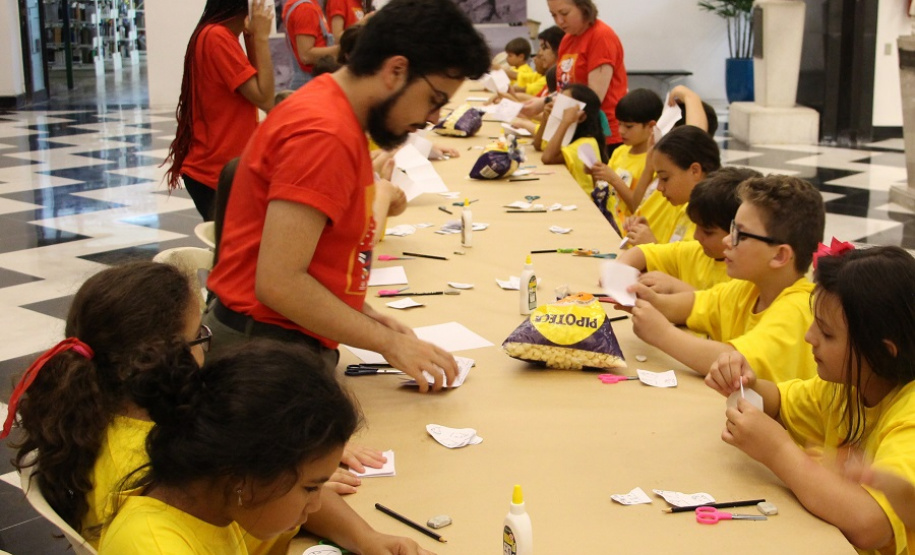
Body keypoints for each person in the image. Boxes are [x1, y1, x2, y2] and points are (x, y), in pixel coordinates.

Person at [2, 262, 423, 553]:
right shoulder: (160, 475)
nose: (208, 343)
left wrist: (305, 462)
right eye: (200, 334)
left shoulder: (117, 420)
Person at [204, 0, 491, 392]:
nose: (433, 118)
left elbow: (313, 258)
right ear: (396, 70)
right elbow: (279, 283)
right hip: (262, 357)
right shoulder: (323, 134)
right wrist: (385, 342)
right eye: (435, 99)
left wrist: (366, 315)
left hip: (279, 344)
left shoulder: (337, 112)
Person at [100, 341, 434, 555]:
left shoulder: (224, 495)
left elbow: (311, 507)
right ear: (246, 476)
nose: (317, 503)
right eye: (310, 488)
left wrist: (367, 539)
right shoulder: (154, 547)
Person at [705, 245, 915, 554]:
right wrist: (744, 380)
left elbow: (870, 524)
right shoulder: (849, 387)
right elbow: (780, 402)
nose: (809, 336)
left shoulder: (909, 418)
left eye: (827, 334)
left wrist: (777, 450)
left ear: (882, 351)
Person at [628, 175, 824, 383]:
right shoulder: (748, 288)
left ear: (779, 255)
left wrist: (662, 333)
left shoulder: (798, 310)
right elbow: (695, 304)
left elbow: (733, 363)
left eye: (741, 235)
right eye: (732, 229)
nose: (726, 241)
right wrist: (648, 300)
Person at [163, 0, 275, 221]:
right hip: (214, 172)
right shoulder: (217, 37)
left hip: (218, 170)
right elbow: (266, 98)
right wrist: (261, 38)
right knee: (229, 251)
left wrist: (250, 37)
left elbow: (260, 87)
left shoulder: (215, 34)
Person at [618, 167, 760, 294]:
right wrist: (618, 271)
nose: (696, 236)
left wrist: (675, 287)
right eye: (696, 226)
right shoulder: (697, 252)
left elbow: (716, 312)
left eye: (708, 232)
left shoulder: (746, 277)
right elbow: (642, 252)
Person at [548, 0, 626, 154]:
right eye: (553, 15)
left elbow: (594, 98)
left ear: (583, 8)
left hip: (602, 133)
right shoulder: (567, 39)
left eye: (564, 13)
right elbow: (565, 87)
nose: (559, 21)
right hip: (575, 128)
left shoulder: (601, 36)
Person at [622, 125, 720, 246]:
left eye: (665, 178)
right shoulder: (684, 204)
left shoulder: (712, 213)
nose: (659, 187)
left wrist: (652, 246)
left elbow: (688, 262)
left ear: (695, 171)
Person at [588, 88, 662, 233]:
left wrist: (613, 179)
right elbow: (604, 192)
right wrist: (595, 174)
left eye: (628, 126)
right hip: (604, 222)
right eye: (619, 124)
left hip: (624, 232)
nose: (621, 131)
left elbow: (637, 207)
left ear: (651, 126)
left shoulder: (653, 163)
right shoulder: (619, 151)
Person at [533, 83, 606, 194]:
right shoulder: (567, 134)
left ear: (581, 116)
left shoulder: (586, 143)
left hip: (584, 202)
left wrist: (565, 121)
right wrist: (545, 119)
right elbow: (538, 145)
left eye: (563, 104)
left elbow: (547, 158)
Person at [284, 0, 338, 89]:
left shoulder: (308, 6)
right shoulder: (305, 9)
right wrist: (343, 49)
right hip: (311, 80)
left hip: (314, 78)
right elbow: (306, 55)